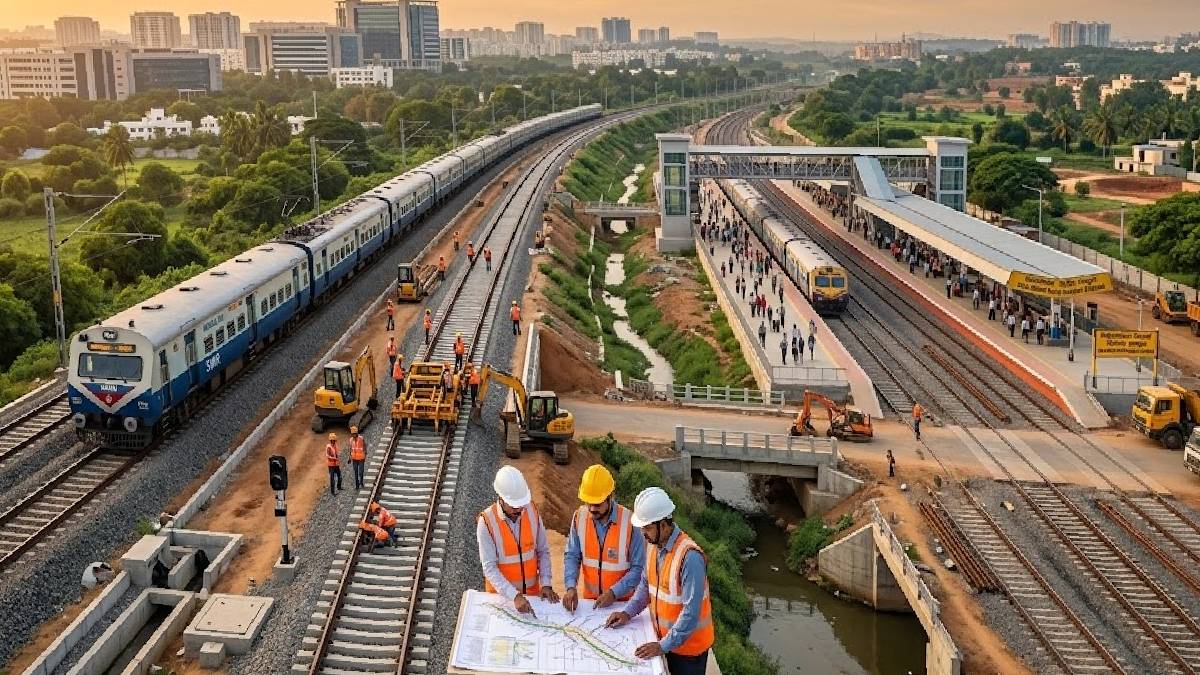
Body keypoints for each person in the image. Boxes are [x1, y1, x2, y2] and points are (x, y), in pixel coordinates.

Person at [605, 487, 713, 674]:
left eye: (647, 528)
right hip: (666, 642)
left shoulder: (690, 557)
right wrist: (627, 613)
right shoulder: (654, 547)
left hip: (689, 652)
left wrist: (662, 646)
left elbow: (691, 613)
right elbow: (646, 586)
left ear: (663, 525)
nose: (643, 534)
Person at [563, 465, 645, 613]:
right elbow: (572, 555)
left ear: (610, 497)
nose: (592, 509)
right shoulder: (579, 518)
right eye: (589, 503)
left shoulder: (630, 523)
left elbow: (639, 569)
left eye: (597, 504)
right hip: (590, 607)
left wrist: (614, 593)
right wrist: (570, 587)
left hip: (622, 607)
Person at [478, 466, 558, 615]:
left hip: (532, 598)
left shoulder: (532, 511)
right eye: (513, 505)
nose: (519, 509)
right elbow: (489, 567)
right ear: (501, 498)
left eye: (520, 504)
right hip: (502, 601)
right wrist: (514, 595)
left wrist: (546, 583)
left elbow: (543, 551)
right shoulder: (487, 522)